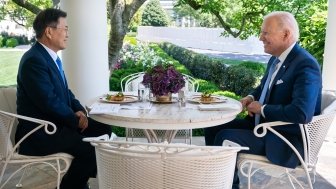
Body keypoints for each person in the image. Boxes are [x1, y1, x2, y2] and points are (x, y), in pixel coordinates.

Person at [204, 11, 322, 188]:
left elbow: (301, 113)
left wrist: (262, 109)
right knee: (213, 127)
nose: (260, 38)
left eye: (266, 33)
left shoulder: (305, 64)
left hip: (285, 141)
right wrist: (251, 97)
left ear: (286, 34)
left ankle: (227, 184)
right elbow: (263, 87)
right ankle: (218, 180)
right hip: (264, 128)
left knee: (225, 136)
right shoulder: (276, 59)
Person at [15, 8, 112, 189]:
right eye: (65, 29)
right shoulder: (33, 61)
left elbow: (65, 93)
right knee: (92, 150)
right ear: (49, 32)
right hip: (41, 132)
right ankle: (73, 185)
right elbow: (48, 102)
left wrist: (80, 112)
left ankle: (77, 180)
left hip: (57, 124)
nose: (68, 34)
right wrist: (75, 121)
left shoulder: (51, 58)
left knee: (104, 129)